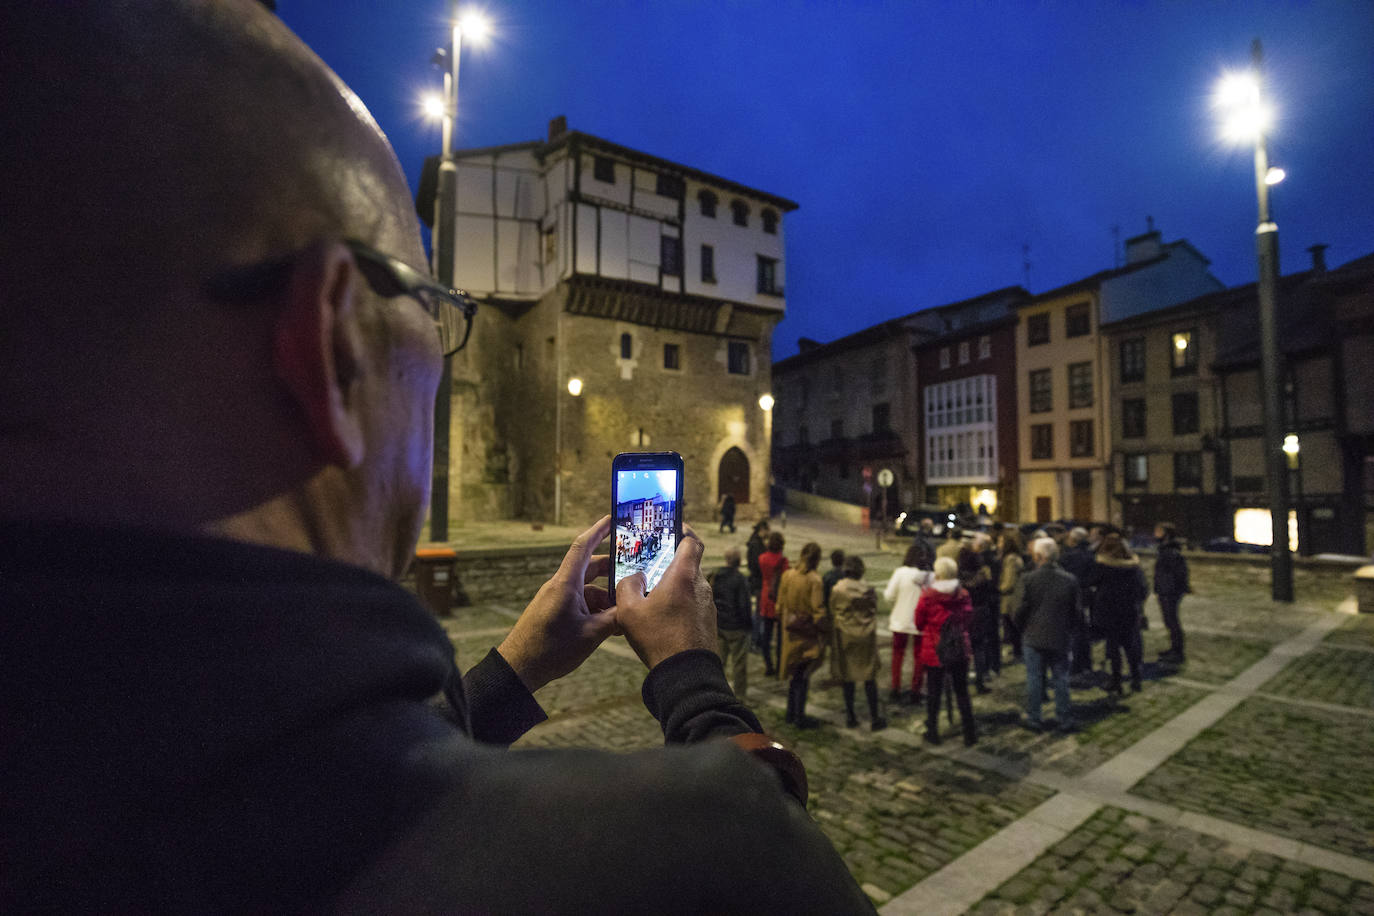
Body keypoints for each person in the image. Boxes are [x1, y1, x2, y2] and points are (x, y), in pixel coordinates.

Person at [0, 5, 877, 912]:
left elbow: (317, 779)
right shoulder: (690, 853)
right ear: (329, 346)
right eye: (429, 303)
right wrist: (696, 687)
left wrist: (511, 672)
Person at [1014, 538, 1083, 733]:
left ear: (1037, 556)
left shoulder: (1028, 579)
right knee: (1060, 677)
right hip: (1060, 635)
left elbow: (1018, 610)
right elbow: (1076, 612)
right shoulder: (1069, 579)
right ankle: (1064, 717)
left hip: (1033, 635)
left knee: (1035, 677)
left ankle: (1034, 717)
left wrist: (1023, 627)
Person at [914, 557, 978, 747]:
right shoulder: (963, 594)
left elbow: (918, 622)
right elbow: (968, 618)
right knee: (962, 691)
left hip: (935, 648)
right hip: (958, 647)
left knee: (934, 692)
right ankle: (969, 732)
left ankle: (932, 730)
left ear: (938, 574)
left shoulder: (928, 596)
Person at [830, 556, 887, 731]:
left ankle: (851, 716)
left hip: (846, 634)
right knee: (869, 676)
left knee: (848, 676)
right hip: (866, 635)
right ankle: (875, 716)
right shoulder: (867, 589)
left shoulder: (838, 589)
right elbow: (874, 609)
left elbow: (832, 608)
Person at [1084, 534, 1147, 695]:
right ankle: (1136, 677)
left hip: (1109, 611)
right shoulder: (1133, 566)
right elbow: (1143, 588)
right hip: (1129, 610)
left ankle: (1116, 680)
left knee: (1113, 647)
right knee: (1130, 645)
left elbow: (1090, 581)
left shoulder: (1103, 566)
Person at [777, 542, 829, 728]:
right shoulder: (814, 580)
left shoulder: (788, 575)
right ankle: (799, 716)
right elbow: (818, 611)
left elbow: (780, 605)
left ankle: (791, 713)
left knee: (795, 675)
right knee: (803, 676)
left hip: (791, 633)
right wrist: (825, 629)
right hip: (807, 635)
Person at [883, 540, 934, 704]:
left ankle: (895, 688)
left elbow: (889, 596)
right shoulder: (930, 577)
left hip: (900, 619)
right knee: (919, 657)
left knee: (897, 654)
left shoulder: (900, 573)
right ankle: (915, 690)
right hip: (921, 621)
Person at [712, 546, 753, 700]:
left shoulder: (716, 575)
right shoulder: (739, 579)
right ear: (738, 561)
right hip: (736, 627)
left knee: (719, 663)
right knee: (739, 664)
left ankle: (717, 693)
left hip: (720, 624)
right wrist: (748, 625)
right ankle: (740, 696)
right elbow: (744, 605)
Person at [957, 540, 997, 695]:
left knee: (963, 647)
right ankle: (980, 680)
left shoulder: (959, 579)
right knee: (979, 646)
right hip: (980, 612)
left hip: (964, 613)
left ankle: (962, 680)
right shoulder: (983, 576)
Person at [1059, 527, 1095, 679]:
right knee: (1083, 632)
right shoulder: (1090, 555)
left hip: (1070, 597)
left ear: (1073, 540)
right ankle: (1086, 664)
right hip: (1085, 596)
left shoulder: (1067, 557)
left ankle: (1075, 666)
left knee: (1073, 633)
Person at [1153, 522, 1191, 663]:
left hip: (1170, 591)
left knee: (1172, 621)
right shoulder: (1165, 549)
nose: (1155, 533)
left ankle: (1177, 652)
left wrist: (1174, 588)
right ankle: (1174, 649)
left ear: (1166, 533)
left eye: (1158, 531)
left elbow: (1178, 572)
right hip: (1165, 589)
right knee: (1169, 620)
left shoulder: (1171, 551)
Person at [757, 531, 790, 677]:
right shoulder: (783, 561)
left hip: (766, 596)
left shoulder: (762, 558)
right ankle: (779, 666)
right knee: (781, 636)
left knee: (767, 634)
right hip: (778, 599)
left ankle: (768, 665)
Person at [998, 530, 1026, 662]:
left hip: (1011, 599)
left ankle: (1018, 654)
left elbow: (1009, 582)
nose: (999, 544)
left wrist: (998, 589)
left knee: (1014, 627)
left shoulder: (1011, 559)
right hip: (1013, 599)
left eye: (1001, 541)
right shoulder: (1013, 558)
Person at [821, 548, 847, 685]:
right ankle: (842, 672)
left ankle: (835, 673)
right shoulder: (846, 577)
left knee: (834, 646)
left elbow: (823, 597)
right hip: (844, 614)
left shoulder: (828, 577)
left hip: (832, 614)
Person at [746, 519, 770, 648]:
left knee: (760, 612)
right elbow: (756, 564)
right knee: (759, 613)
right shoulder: (756, 544)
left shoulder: (756, 542)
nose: (769, 533)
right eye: (768, 530)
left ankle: (758, 639)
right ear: (763, 530)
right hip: (758, 582)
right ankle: (755, 641)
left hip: (758, 581)